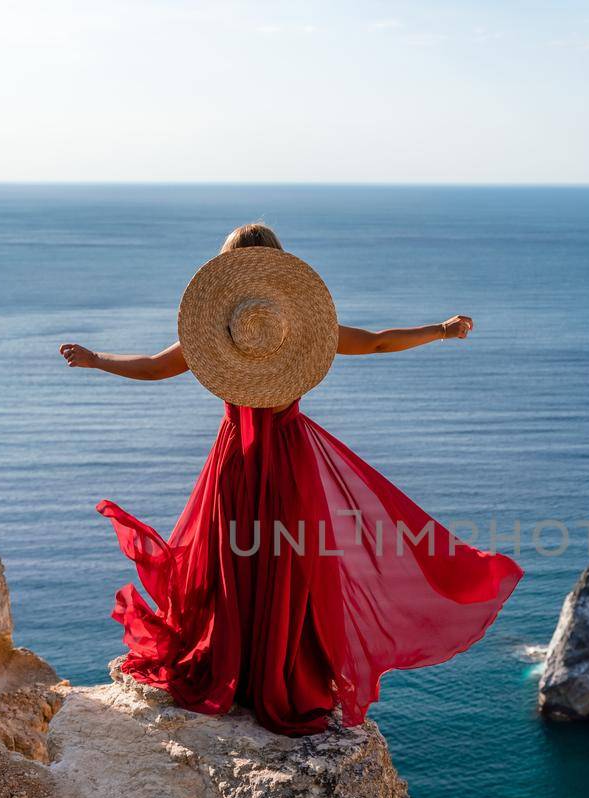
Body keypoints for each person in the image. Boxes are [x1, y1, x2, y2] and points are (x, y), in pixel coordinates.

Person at [60, 223, 521, 736]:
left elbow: (151, 367)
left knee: (231, 562)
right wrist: (439, 329)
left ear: (226, 273)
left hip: (236, 461)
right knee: (289, 563)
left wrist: (96, 359)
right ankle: (280, 674)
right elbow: (378, 343)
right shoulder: (304, 327)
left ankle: (236, 670)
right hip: (290, 458)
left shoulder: (218, 330)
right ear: (281, 270)